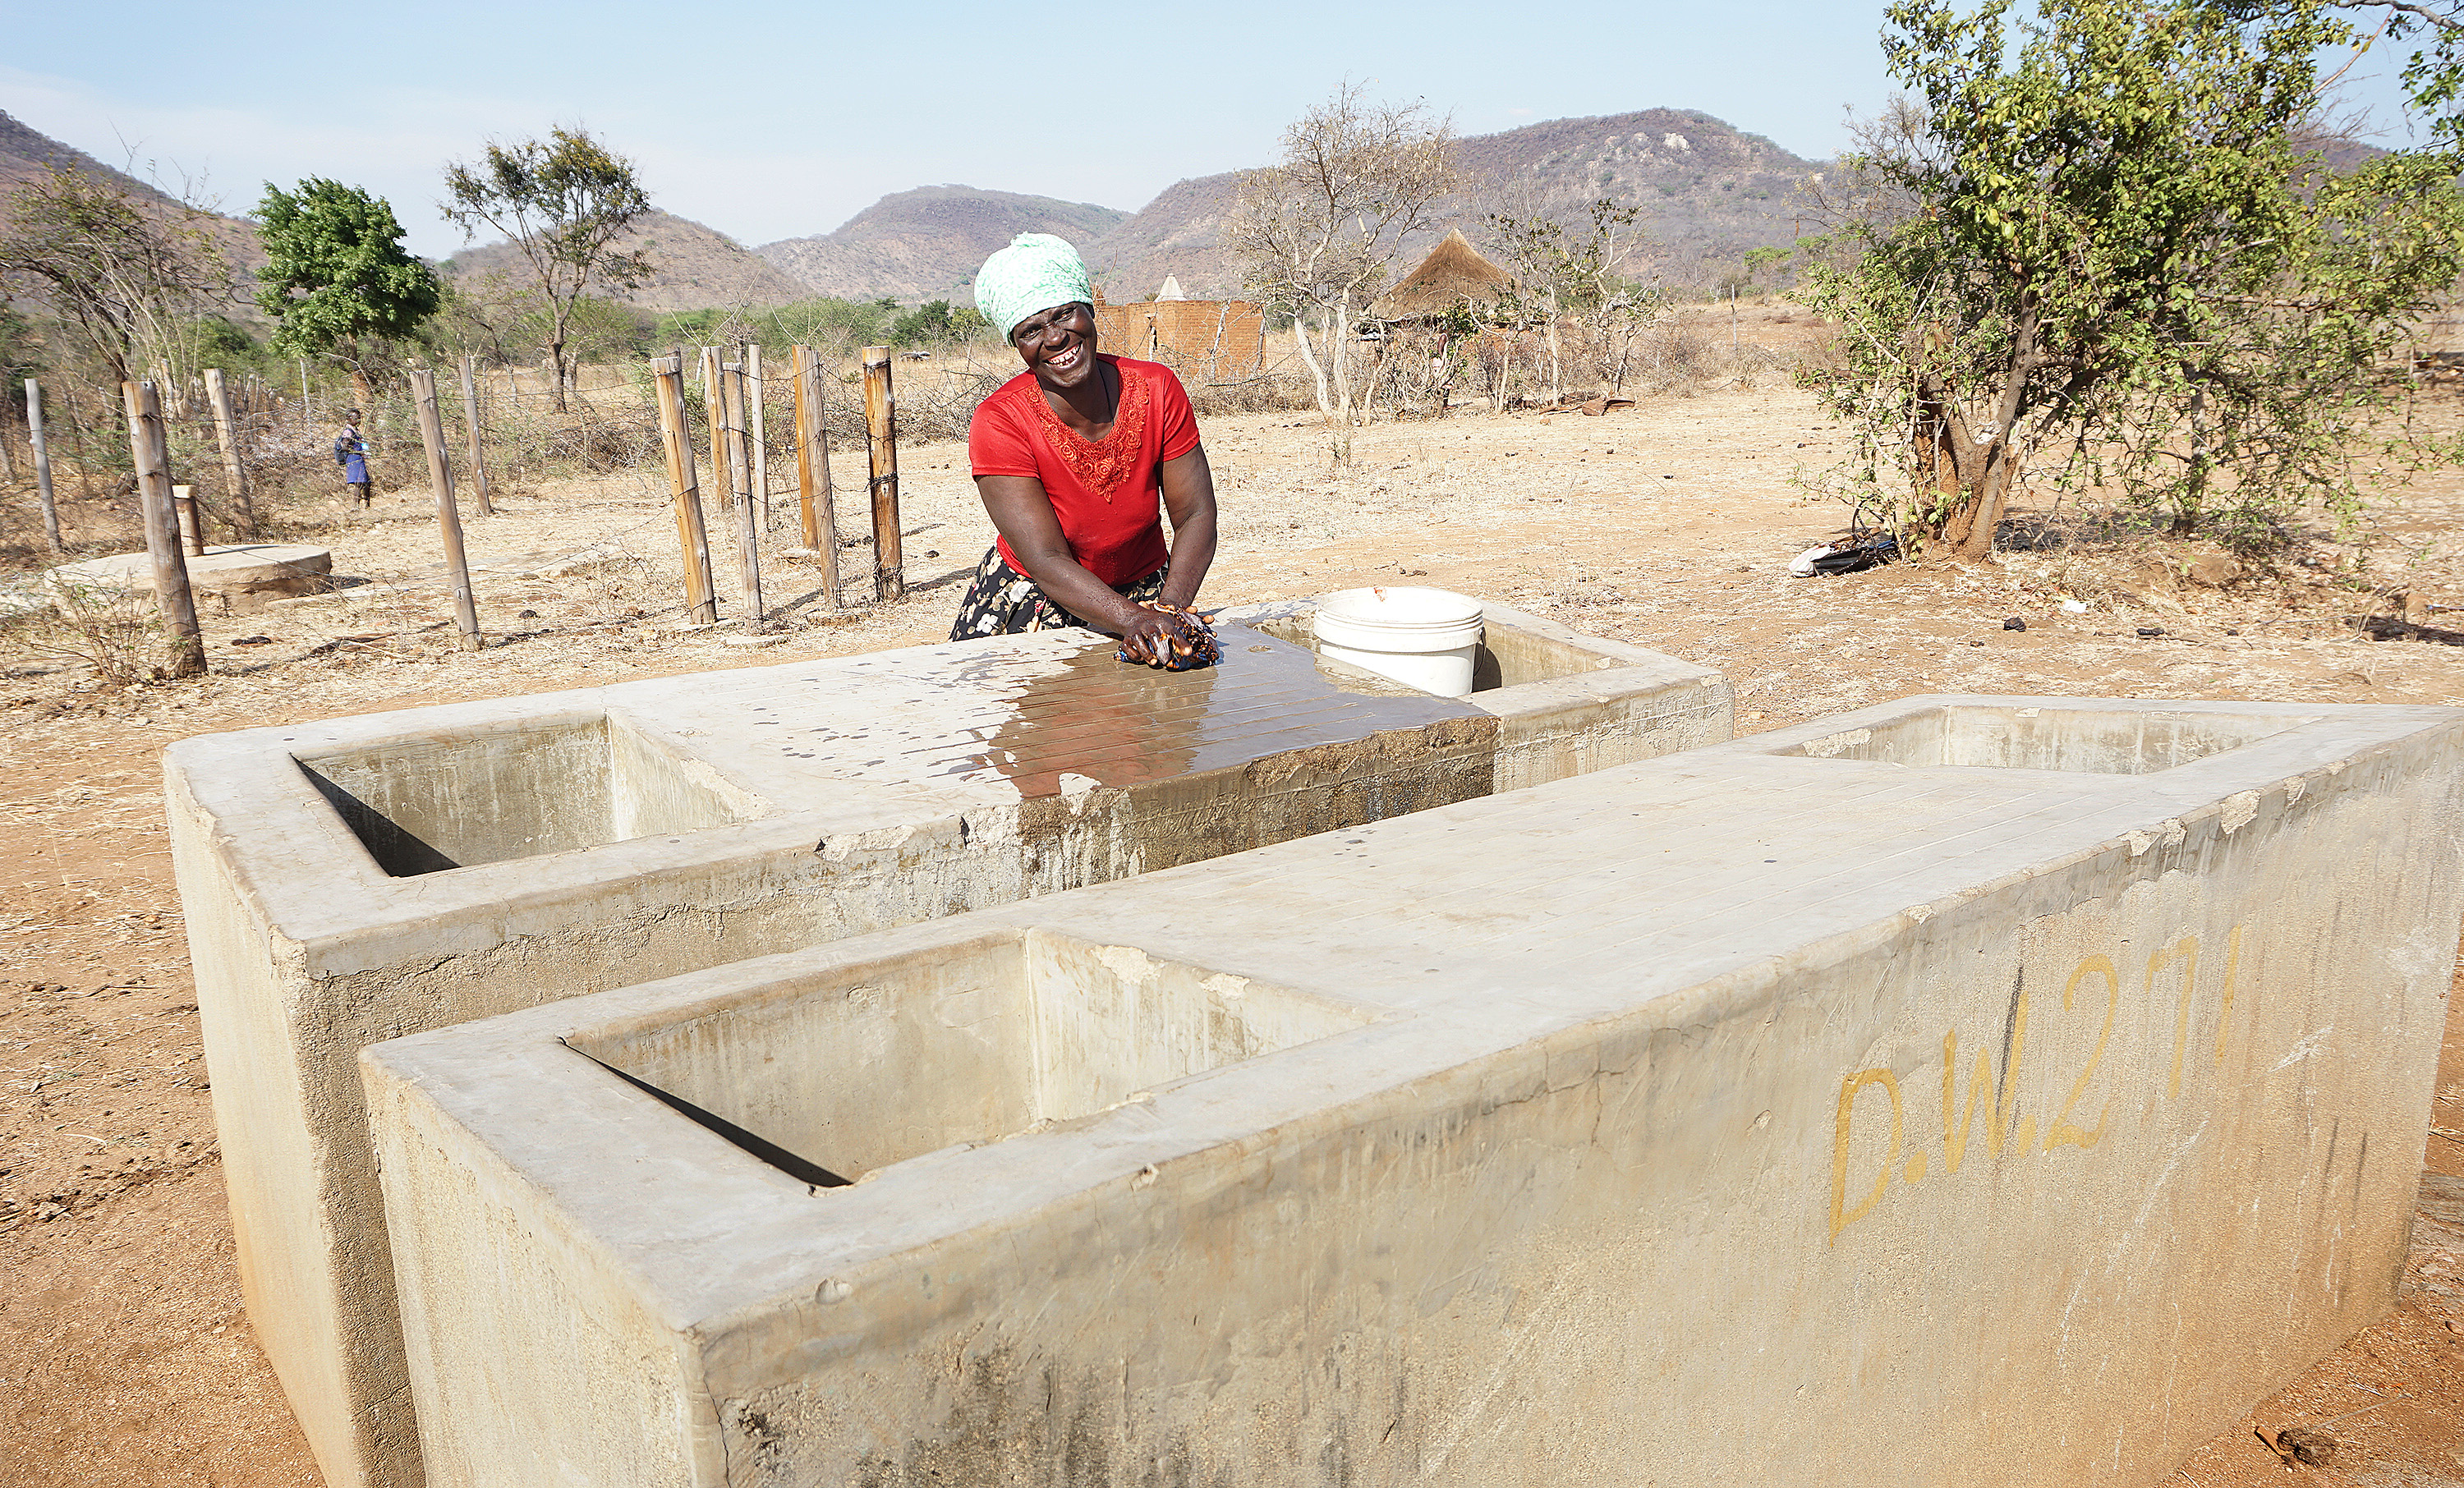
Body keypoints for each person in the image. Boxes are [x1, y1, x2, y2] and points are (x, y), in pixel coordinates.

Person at [951, 233, 1217, 665]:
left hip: (1151, 593)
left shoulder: (1157, 389)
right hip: (1038, 601)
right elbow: (1046, 559)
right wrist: (1133, 621)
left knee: (1160, 728)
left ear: (1090, 311)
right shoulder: (1001, 421)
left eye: (1065, 315)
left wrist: (1166, 611)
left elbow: (1196, 515)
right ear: (1015, 344)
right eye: (1032, 330)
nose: (1056, 338)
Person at [334, 410, 372, 508]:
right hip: (353, 459)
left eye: (359, 418)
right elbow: (344, 446)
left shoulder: (356, 431)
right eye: (356, 418)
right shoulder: (348, 432)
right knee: (358, 483)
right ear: (349, 419)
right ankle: (355, 506)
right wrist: (357, 452)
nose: (358, 420)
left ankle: (367, 506)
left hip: (358, 458)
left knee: (366, 482)